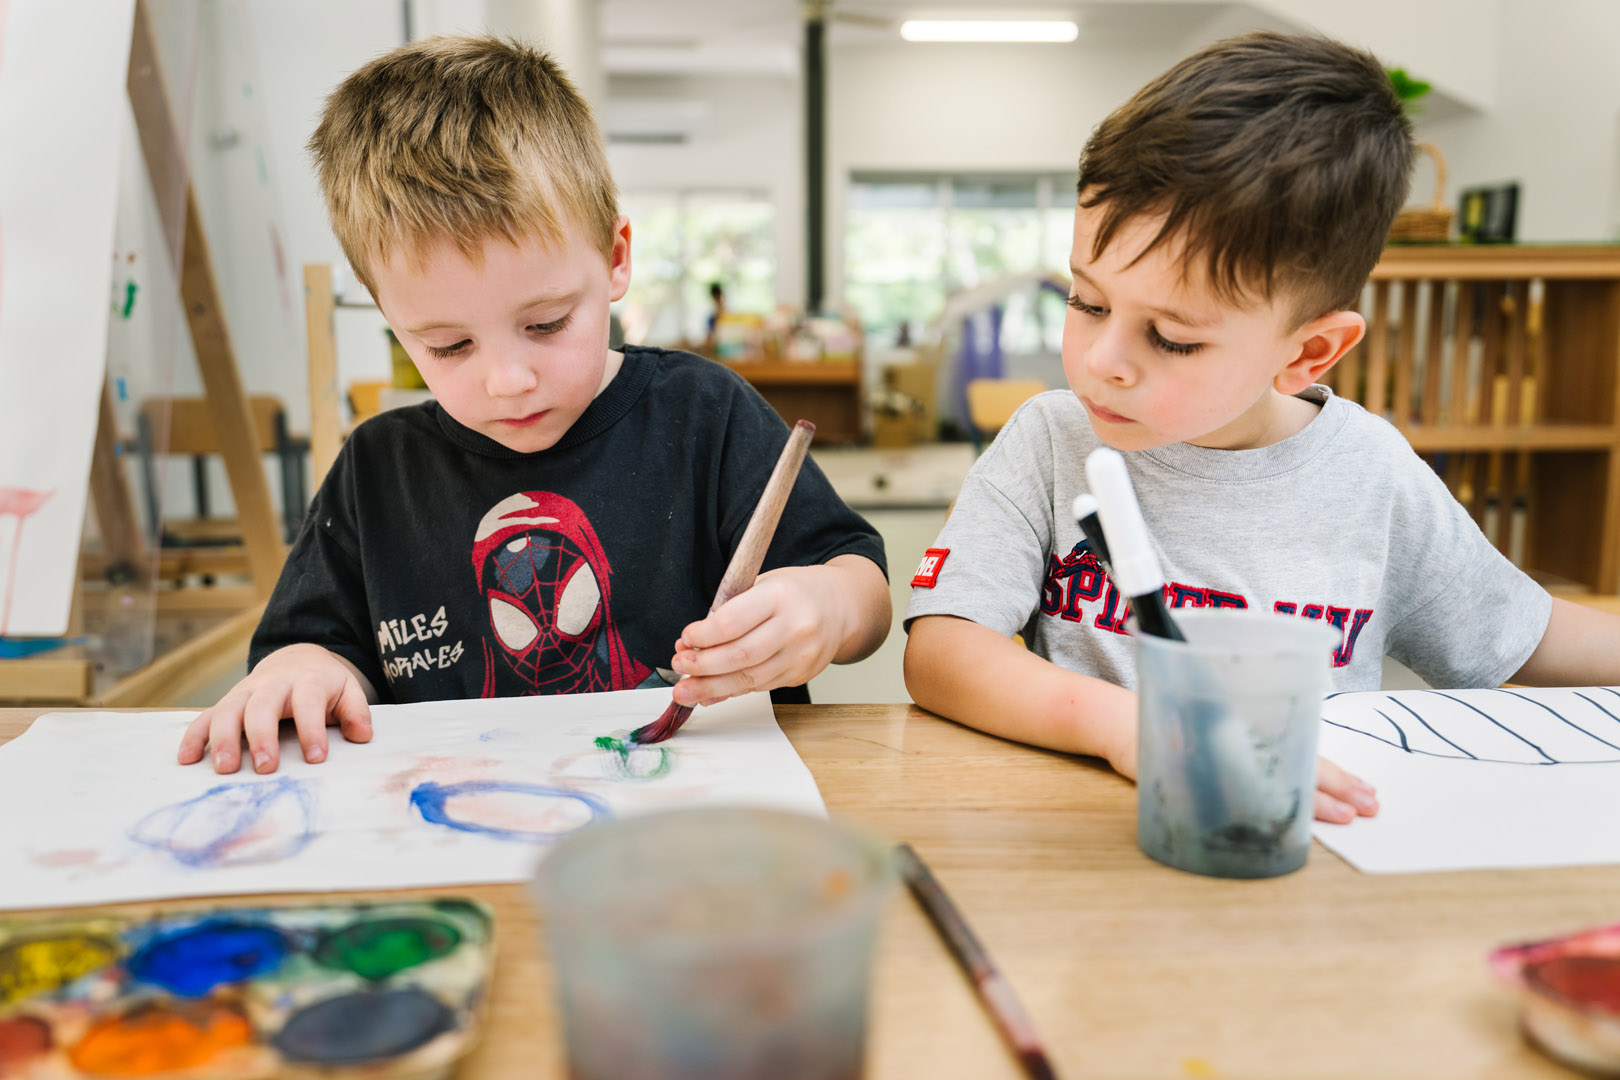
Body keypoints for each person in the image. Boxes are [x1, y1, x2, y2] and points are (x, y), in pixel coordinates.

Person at [903, 31, 1620, 824]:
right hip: (1083, 838)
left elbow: (1526, 636)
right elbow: (943, 653)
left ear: (1307, 353)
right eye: (1088, 301)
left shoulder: (1372, 475)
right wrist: (1127, 728)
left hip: (1295, 841)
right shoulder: (1050, 440)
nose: (1101, 360)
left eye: (1171, 338)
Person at [180, 36, 889, 775]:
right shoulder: (377, 469)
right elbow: (317, 644)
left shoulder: (704, 415)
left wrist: (826, 605)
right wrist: (302, 670)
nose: (507, 380)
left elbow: (863, 589)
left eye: (546, 324)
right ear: (386, 311)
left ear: (615, 258)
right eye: (450, 345)